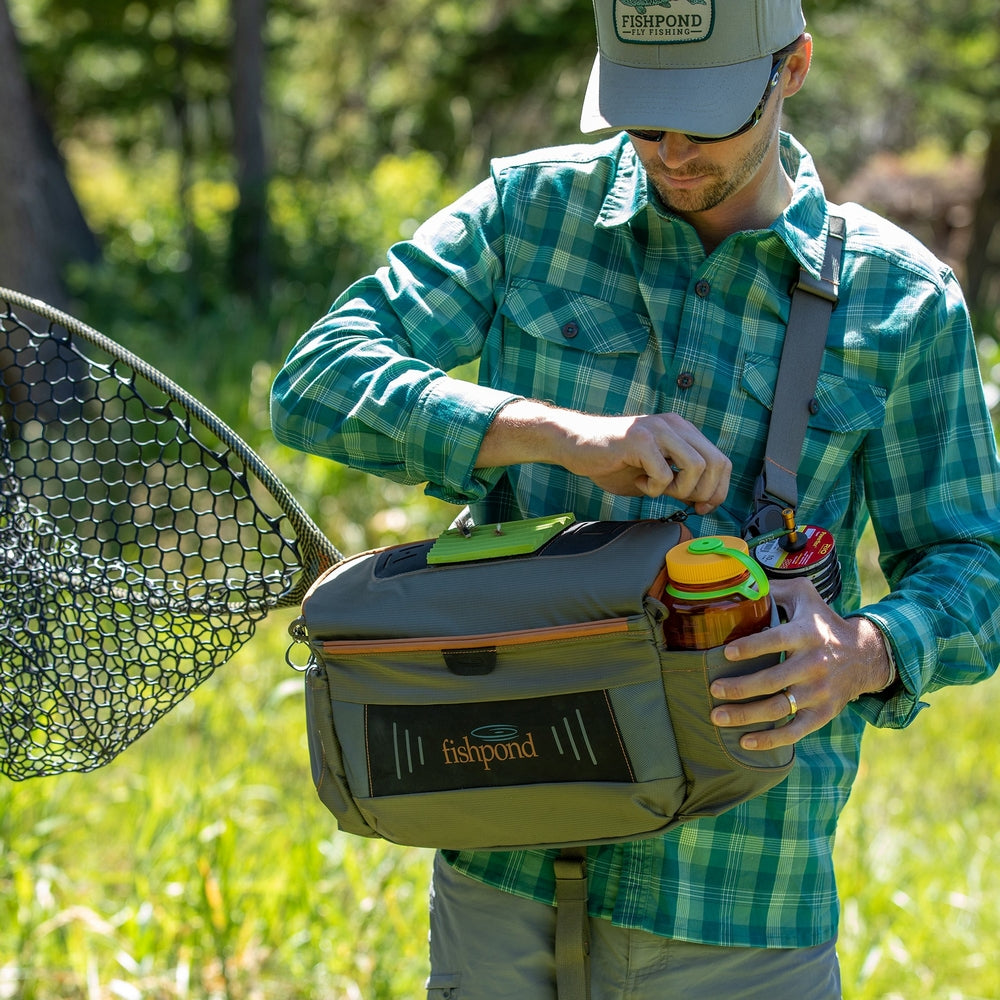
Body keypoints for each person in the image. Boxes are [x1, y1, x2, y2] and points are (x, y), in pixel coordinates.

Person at [270, 0, 1000, 995]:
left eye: (703, 121)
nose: (668, 151)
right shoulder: (527, 215)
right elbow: (316, 379)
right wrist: (556, 434)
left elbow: (972, 564)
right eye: (642, 117)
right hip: (501, 851)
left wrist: (865, 652)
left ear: (792, 69)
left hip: (737, 895)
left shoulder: (899, 301)